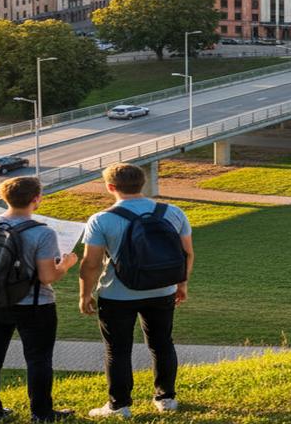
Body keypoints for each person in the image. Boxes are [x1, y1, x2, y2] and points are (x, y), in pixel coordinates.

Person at [0, 176, 78, 424]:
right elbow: (46, 277)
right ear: (36, 199)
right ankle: (41, 414)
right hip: (35, 304)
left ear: (4, 197)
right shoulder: (42, 232)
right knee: (38, 359)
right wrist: (66, 265)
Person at [79, 163, 193, 418]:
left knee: (118, 350)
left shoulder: (102, 219)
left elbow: (91, 263)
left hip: (117, 294)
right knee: (162, 344)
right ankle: (166, 399)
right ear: (142, 183)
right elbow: (187, 253)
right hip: (163, 290)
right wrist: (181, 284)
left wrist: (85, 295)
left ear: (110, 187)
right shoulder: (173, 212)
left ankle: (119, 406)